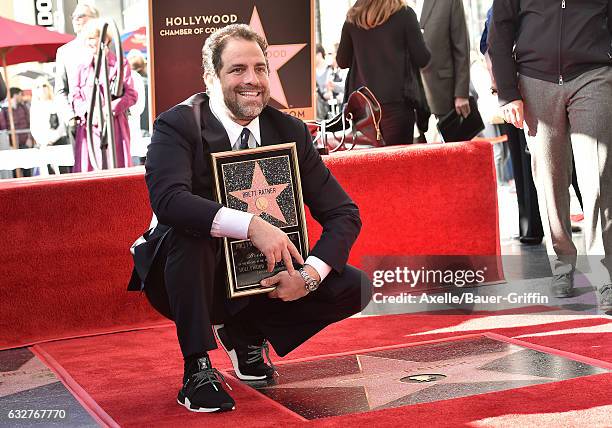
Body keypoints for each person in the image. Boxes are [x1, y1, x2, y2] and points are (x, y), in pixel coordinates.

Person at [128, 24, 371, 413]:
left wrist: (307, 278)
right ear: (211, 78)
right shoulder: (178, 125)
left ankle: (245, 334)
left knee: (354, 285)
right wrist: (252, 225)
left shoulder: (289, 129)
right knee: (189, 233)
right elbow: (169, 200)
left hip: (260, 275)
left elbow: (344, 213)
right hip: (185, 274)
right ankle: (198, 368)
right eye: (237, 69)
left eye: (260, 69)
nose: (252, 80)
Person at [488, 0, 612, 306]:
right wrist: (507, 92)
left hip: (593, 74)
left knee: (598, 174)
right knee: (549, 178)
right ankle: (562, 265)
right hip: (535, 80)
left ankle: (605, 274)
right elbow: (500, 29)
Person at [336, 0, 430, 146]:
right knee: (399, 163)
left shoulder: (353, 18)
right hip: (398, 105)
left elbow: (342, 61)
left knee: (370, 165)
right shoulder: (405, 14)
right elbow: (422, 58)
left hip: (364, 109)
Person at [72, 19, 137, 171]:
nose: (89, 42)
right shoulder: (81, 66)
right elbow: (75, 96)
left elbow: (131, 95)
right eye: (87, 38)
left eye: (93, 38)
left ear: (105, 39)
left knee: (116, 170)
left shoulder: (120, 64)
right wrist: (89, 112)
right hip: (90, 128)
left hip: (114, 127)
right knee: (90, 172)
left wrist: (109, 109)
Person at [54, 2, 99, 156]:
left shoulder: (107, 46)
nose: (76, 19)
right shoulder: (64, 52)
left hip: (107, 120)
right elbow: (60, 90)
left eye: (81, 15)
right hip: (79, 123)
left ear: (95, 19)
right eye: (74, 16)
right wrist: (70, 117)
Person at [415, 0, 470, 120]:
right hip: (410, 98)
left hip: (443, 94)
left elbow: (461, 47)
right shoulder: (396, 4)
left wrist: (461, 94)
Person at [29, 77, 69, 174]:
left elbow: (62, 125)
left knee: (63, 174)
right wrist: (43, 142)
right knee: (48, 176)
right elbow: (34, 128)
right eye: (38, 87)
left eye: (44, 86)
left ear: (48, 88)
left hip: (59, 143)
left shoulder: (56, 103)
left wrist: (52, 139)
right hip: (43, 146)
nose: (42, 89)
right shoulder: (34, 107)